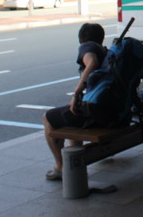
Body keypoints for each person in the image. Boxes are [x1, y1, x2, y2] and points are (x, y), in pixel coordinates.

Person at [42, 23, 107, 181]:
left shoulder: (87, 47)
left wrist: (77, 92)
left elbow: (92, 63)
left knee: (48, 118)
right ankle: (75, 166)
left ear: (80, 40)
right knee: (73, 117)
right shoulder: (105, 51)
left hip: (97, 112)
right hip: (110, 110)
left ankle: (60, 167)